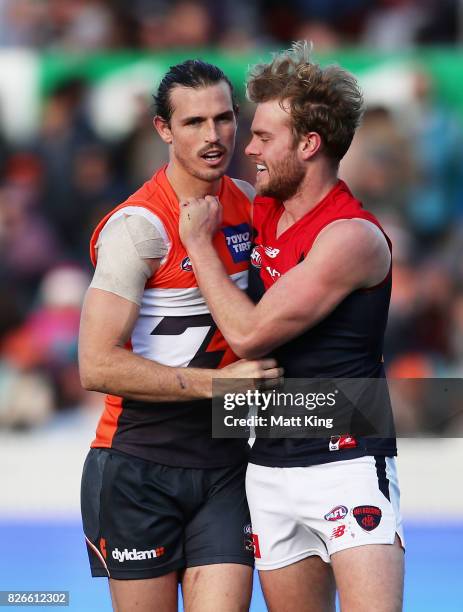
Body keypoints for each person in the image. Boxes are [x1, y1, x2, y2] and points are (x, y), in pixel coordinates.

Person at [179, 43, 405, 612]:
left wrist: (198, 249)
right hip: (269, 463)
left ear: (309, 145)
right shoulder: (266, 210)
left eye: (263, 137)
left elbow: (252, 335)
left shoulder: (350, 237)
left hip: (344, 461)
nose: (246, 149)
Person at [78, 59, 282, 612]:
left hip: (226, 463)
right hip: (137, 463)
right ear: (163, 130)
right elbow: (96, 366)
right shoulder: (138, 227)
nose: (213, 136)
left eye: (223, 118)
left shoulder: (253, 206)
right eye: (193, 123)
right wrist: (218, 387)